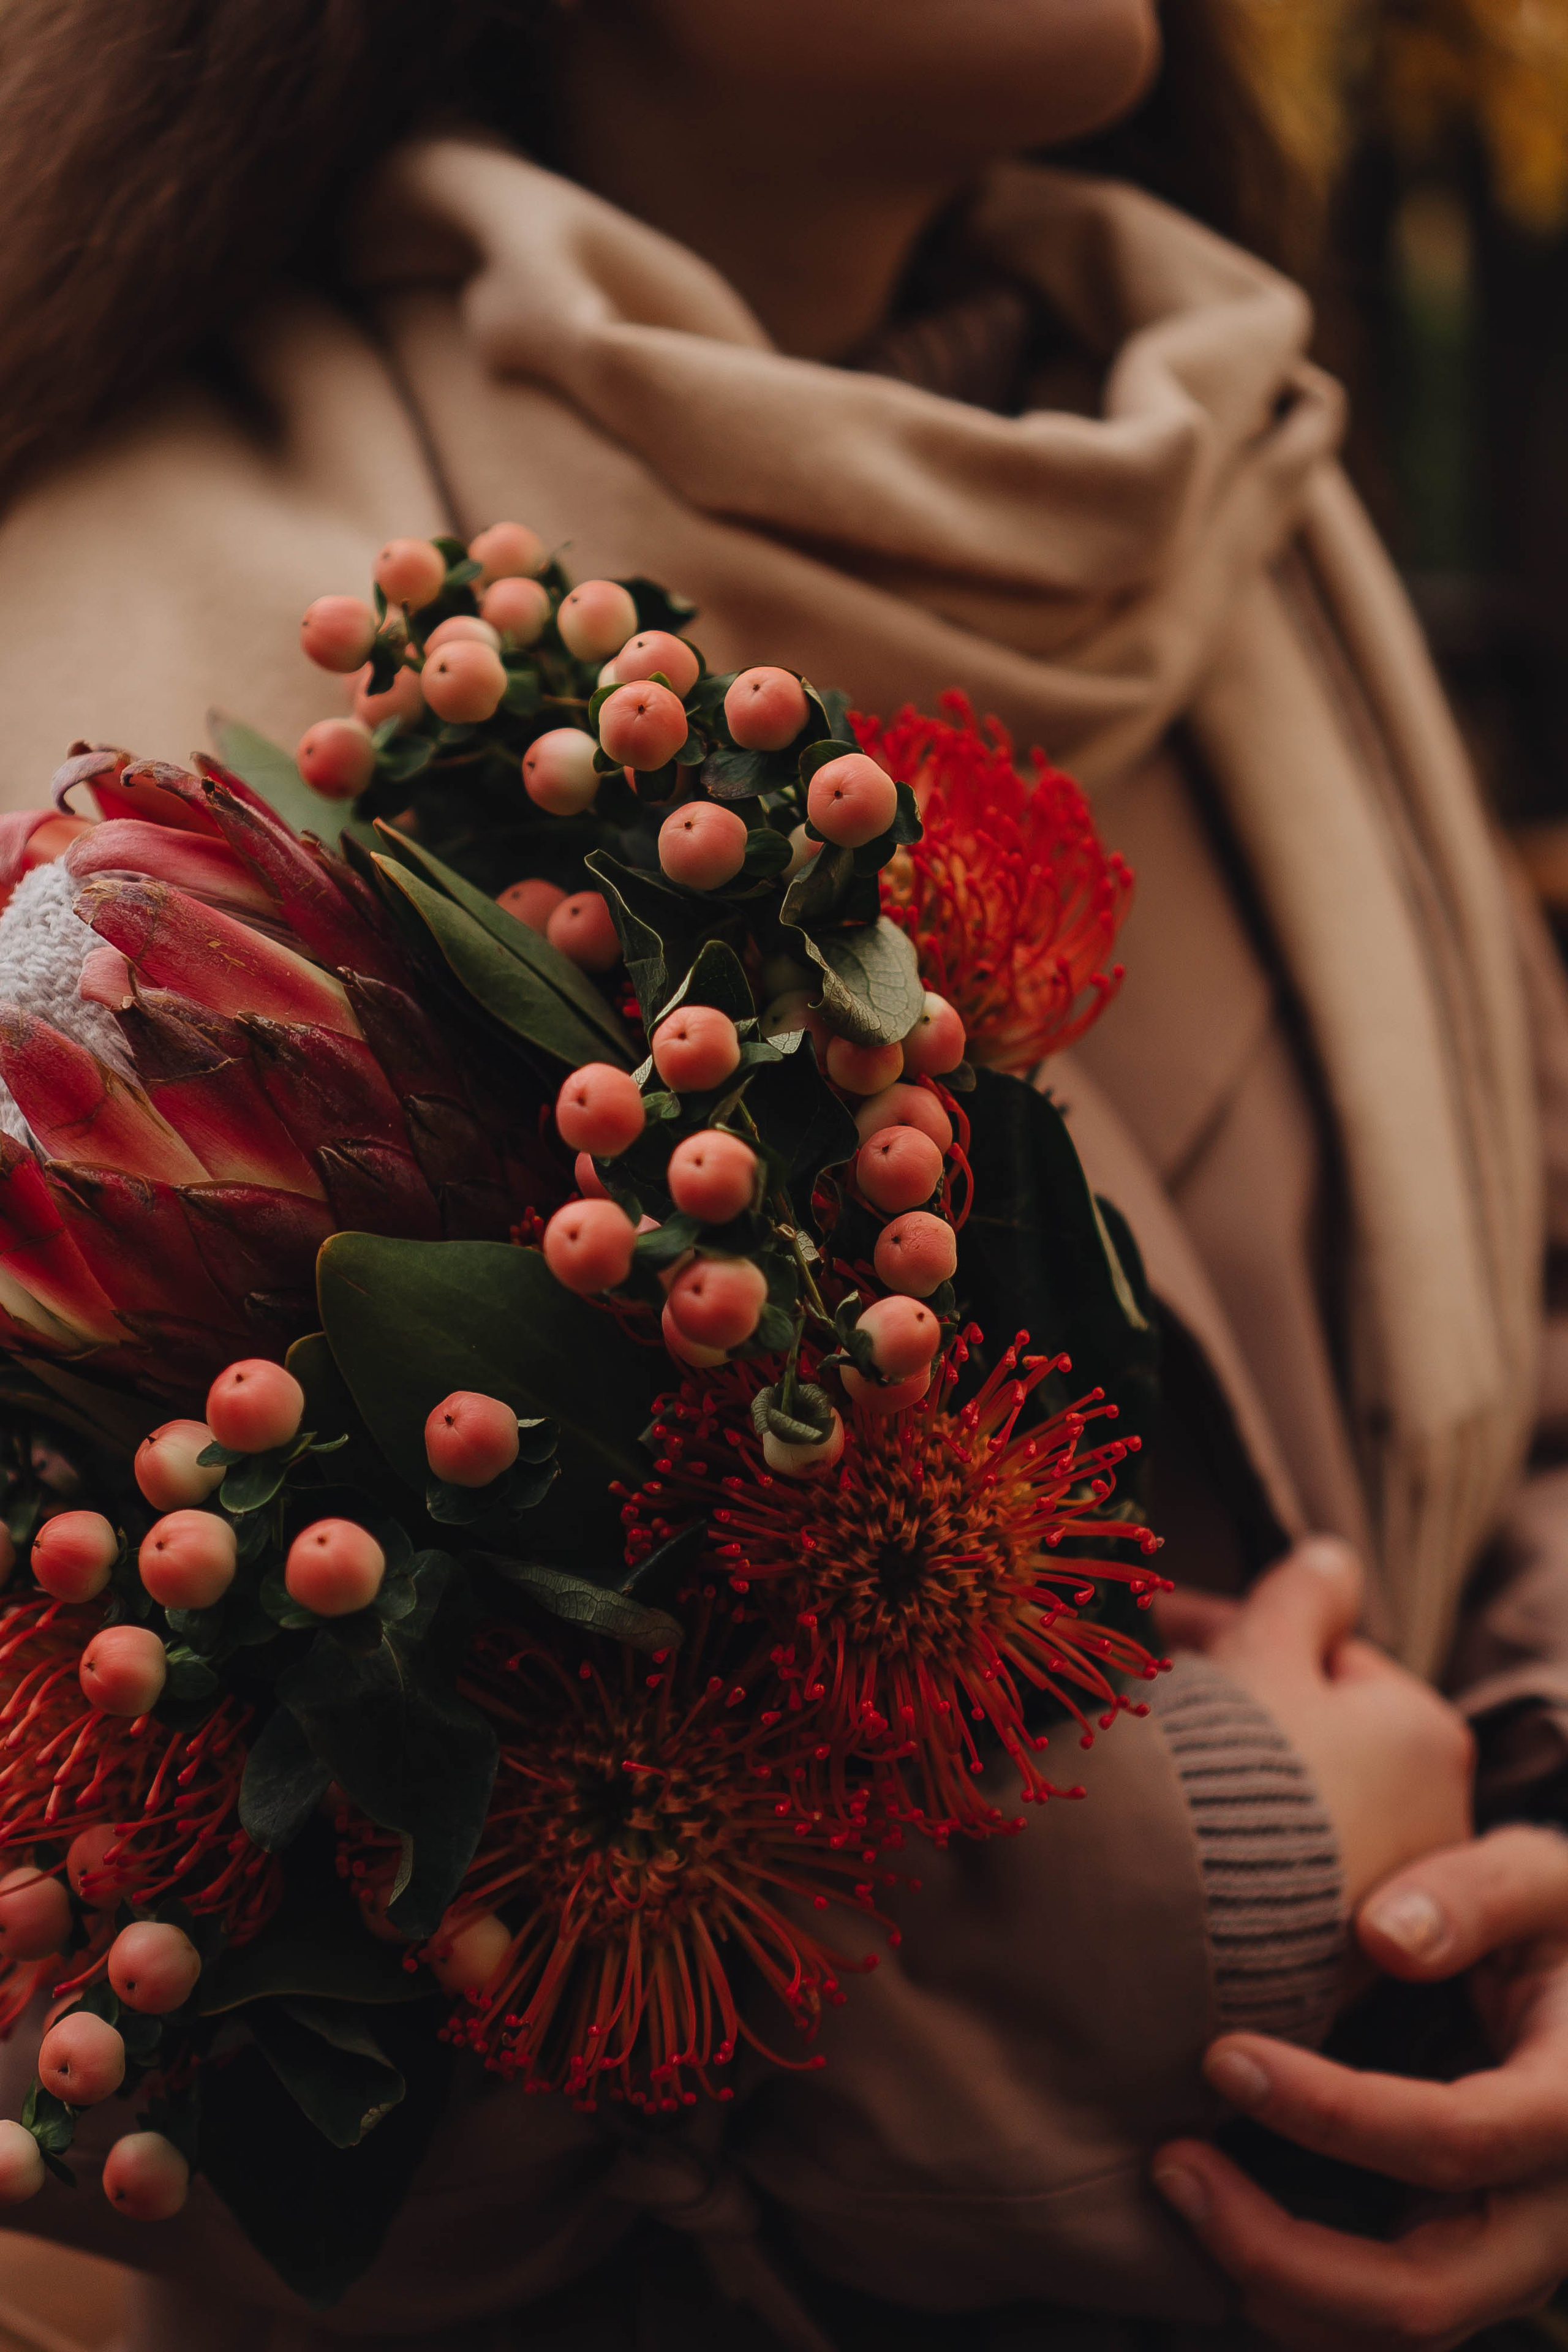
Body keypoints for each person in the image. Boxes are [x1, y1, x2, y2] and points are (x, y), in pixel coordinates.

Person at [0, 4, 1567, 2347]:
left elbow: (1536, 1298)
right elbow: (216, 2044)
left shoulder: (1245, 486)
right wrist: (1225, 1886)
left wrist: (1547, 1841)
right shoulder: (130, 706)